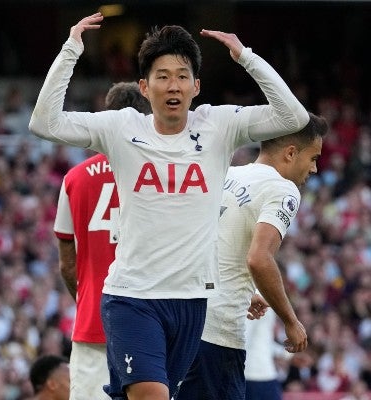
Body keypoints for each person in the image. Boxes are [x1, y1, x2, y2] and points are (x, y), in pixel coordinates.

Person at [29, 12, 310, 400]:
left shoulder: (219, 126)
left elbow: (292, 116)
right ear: (144, 87)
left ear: (196, 85)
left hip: (191, 303)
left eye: (181, 75)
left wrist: (246, 56)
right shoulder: (121, 128)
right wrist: (71, 48)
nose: (172, 85)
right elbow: (44, 122)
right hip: (132, 297)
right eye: (162, 76)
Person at [179, 112, 328, 399]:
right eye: (313, 158)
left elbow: (201, 246)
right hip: (220, 334)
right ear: (290, 153)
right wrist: (291, 321)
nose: (315, 169)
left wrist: (244, 294)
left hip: (187, 323)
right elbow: (259, 258)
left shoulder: (228, 174)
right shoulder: (283, 189)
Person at [54, 81, 151, 400]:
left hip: (93, 321)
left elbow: (67, 266)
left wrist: (86, 300)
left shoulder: (74, 178)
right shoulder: (161, 175)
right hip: (148, 323)